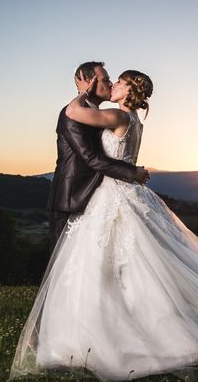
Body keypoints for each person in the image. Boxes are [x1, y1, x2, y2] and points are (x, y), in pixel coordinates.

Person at [9, 68, 198, 382]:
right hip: (123, 192)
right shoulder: (134, 120)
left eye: (119, 82)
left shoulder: (118, 116)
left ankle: (129, 335)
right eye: (110, 81)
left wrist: (82, 89)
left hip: (114, 194)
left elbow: (73, 113)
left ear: (129, 90)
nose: (113, 84)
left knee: (118, 264)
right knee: (130, 264)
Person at [46, 61, 150, 254]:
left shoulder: (103, 114)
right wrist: (131, 172)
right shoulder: (72, 115)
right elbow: (90, 157)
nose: (111, 84)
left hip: (98, 195)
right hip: (71, 197)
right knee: (63, 262)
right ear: (89, 81)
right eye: (106, 79)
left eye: (114, 81)